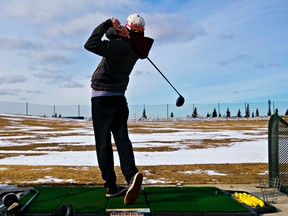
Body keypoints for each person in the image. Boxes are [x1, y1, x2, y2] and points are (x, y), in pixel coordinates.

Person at [84, 14, 153, 205]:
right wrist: (117, 31)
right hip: (120, 100)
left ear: (129, 29)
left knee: (103, 143)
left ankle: (110, 186)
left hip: (101, 101)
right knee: (122, 139)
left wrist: (108, 23)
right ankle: (131, 176)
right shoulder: (135, 46)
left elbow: (90, 44)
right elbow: (113, 36)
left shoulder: (119, 46)